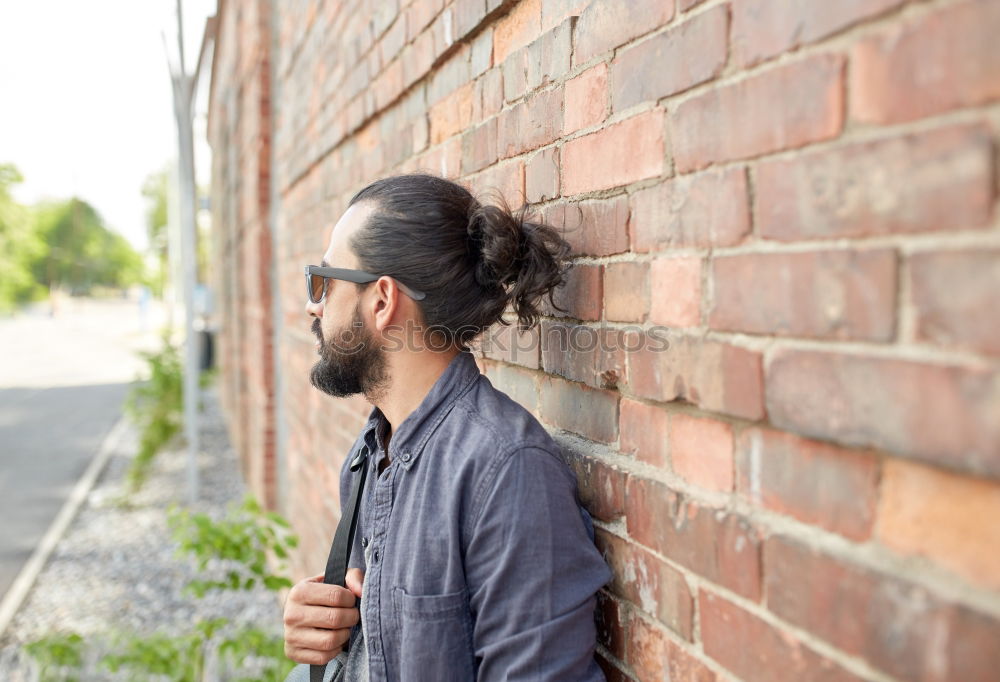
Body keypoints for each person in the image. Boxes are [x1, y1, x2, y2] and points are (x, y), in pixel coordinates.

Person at [282, 173, 611, 681]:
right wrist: (337, 632)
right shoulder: (370, 454)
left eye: (325, 280)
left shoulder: (506, 472)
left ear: (382, 300)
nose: (313, 303)